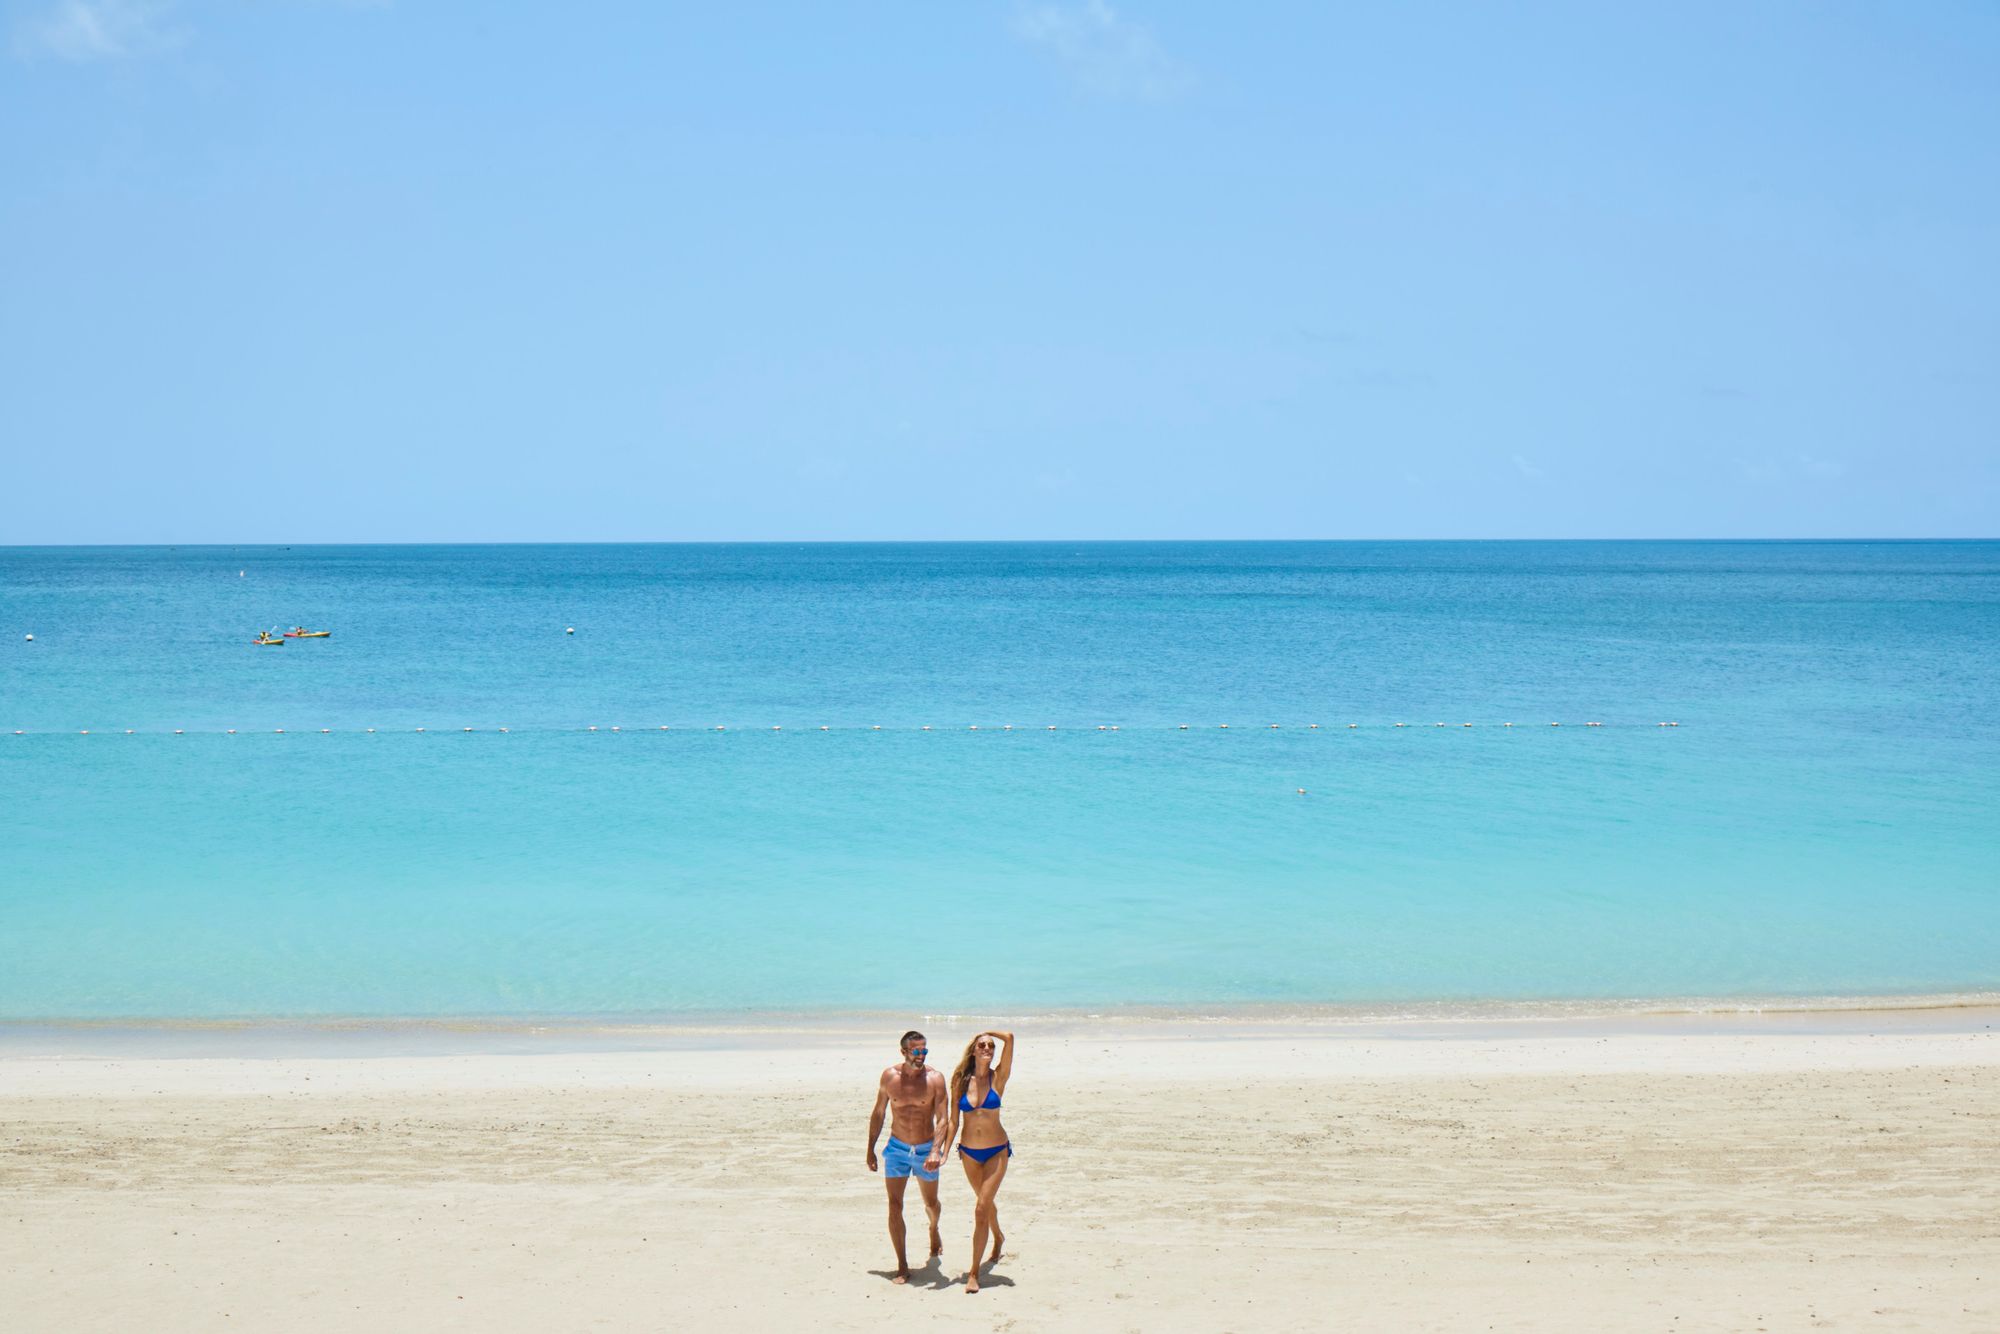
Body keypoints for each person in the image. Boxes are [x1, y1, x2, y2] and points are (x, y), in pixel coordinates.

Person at [927, 1030, 1014, 1293]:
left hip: (997, 1151)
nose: (987, 1048)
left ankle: (974, 1273)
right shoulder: (960, 1080)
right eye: (982, 1045)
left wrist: (987, 1031)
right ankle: (998, 1236)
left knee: (980, 1208)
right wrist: (943, 1151)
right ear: (973, 1050)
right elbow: (954, 1121)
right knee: (984, 1204)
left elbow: (1009, 1038)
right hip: (969, 1153)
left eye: (990, 1045)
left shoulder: (998, 1077)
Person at [866, 1029, 947, 1284]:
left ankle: (933, 1228)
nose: (921, 1055)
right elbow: (879, 1112)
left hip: (925, 1150)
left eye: (924, 1050)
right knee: (894, 1205)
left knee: (931, 1203)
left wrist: (935, 1150)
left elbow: (943, 1118)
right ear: (903, 1051)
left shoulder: (935, 1079)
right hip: (897, 1149)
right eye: (916, 1051)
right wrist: (870, 1148)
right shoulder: (889, 1077)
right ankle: (902, 1265)